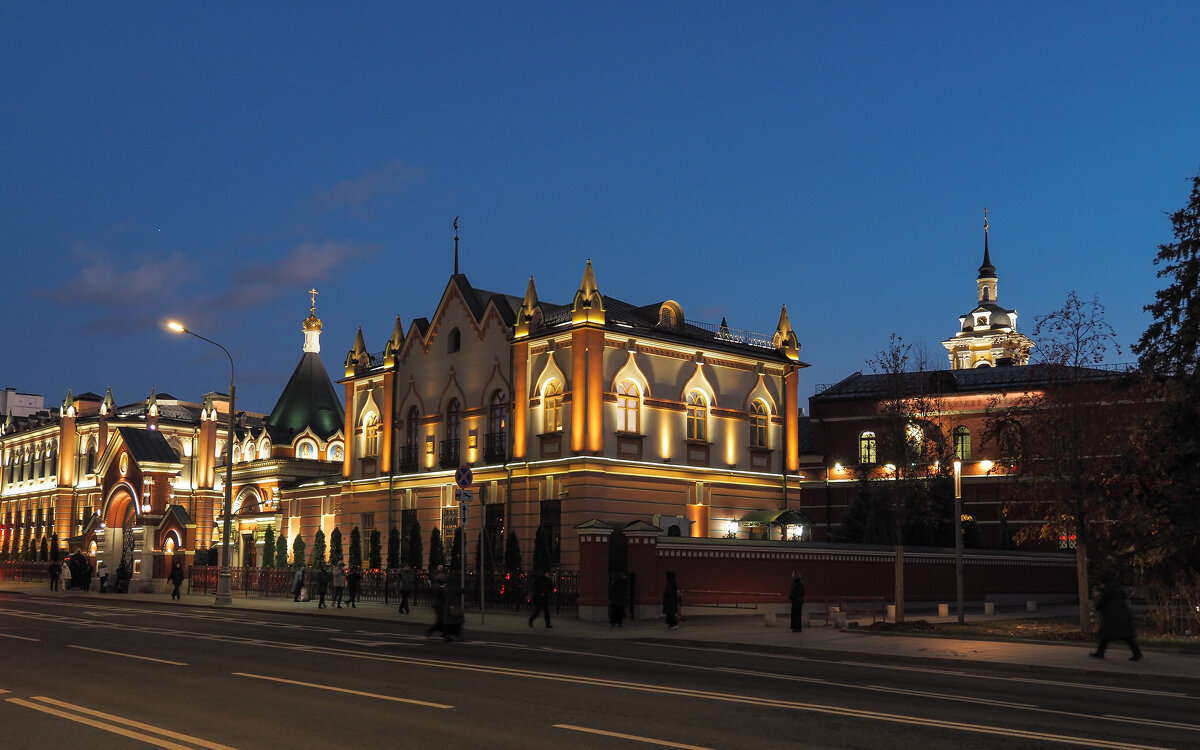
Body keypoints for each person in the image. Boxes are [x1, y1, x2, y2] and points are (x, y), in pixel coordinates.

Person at [1091, 574, 1143, 661]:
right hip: (1123, 615)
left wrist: (1097, 602)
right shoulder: (1117, 588)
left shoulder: (1107, 589)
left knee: (1106, 635)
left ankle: (1100, 653)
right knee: (1127, 636)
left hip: (1112, 617)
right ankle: (1137, 653)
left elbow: (1101, 603)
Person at [426, 565, 448, 637]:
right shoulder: (436, 583)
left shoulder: (443, 581)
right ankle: (431, 631)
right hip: (439, 604)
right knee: (440, 620)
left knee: (443, 619)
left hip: (442, 604)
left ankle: (444, 633)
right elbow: (436, 594)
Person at [442, 575, 465, 641]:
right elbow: (462, 590)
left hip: (447, 607)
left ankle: (448, 635)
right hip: (453, 608)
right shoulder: (453, 588)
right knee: (459, 620)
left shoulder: (446, 587)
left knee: (449, 623)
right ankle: (453, 635)